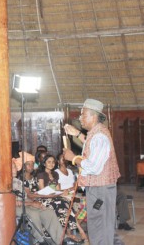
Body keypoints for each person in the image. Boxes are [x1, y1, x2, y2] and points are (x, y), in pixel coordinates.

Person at [64, 98, 121, 245]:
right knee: (102, 228)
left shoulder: (100, 136)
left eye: (83, 115)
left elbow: (94, 167)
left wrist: (73, 158)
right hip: (99, 189)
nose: (80, 118)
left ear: (93, 116)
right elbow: (91, 144)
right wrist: (76, 134)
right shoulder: (96, 133)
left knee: (99, 229)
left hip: (100, 190)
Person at [12, 158, 63, 245]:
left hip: (26, 203)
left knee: (48, 211)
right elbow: (14, 202)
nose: (16, 168)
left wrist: (36, 202)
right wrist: (32, 203)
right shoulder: (4, 183)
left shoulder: (18, 181)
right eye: (13, 167)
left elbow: (26, 196)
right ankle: (41, 240)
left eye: (16, 166)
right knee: (33, 214)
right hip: (14, 207)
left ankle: (60, 240)